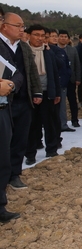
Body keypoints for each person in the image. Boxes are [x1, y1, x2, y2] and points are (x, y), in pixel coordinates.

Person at [0, 12, 42, 190]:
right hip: (4, 102)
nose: (21, 29)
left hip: (23, 100)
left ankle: (14, 174)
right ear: (4, 26)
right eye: (18, 26)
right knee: (4, 141)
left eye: (22, 26)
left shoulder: (23, 47)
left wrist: (37, 92)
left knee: (20, 139)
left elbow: (31, 71)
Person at [0, 7, 24, 222]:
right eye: (19, 26)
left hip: (3, 107)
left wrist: (9, 85)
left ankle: (1, 207)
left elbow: (17, 73)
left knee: (3, 158)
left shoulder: (8, 47)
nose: (21, 30)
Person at [25, 25, 62, 164]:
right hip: (31, 94)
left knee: (50, 123)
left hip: (48, 92)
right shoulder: (24, 51)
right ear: (28, 35)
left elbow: (55, 72)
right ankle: (30, 154)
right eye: (36, 35)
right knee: (32, 125)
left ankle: (51, 150)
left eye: (42, 36)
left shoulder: (48, 52)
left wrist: (56, 92)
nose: (40, 38)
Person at [57, 30, 81, 127]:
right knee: (60, 102)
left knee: (72, 101)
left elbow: (77, 65)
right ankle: (61, 121)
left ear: (68, 38)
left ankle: (75, 120)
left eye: (65, 37)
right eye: (61, 36)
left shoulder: (72, 50)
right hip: (59, 80)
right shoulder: (54, 49)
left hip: (71, 79)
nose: (63, 38)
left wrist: (78, 78)